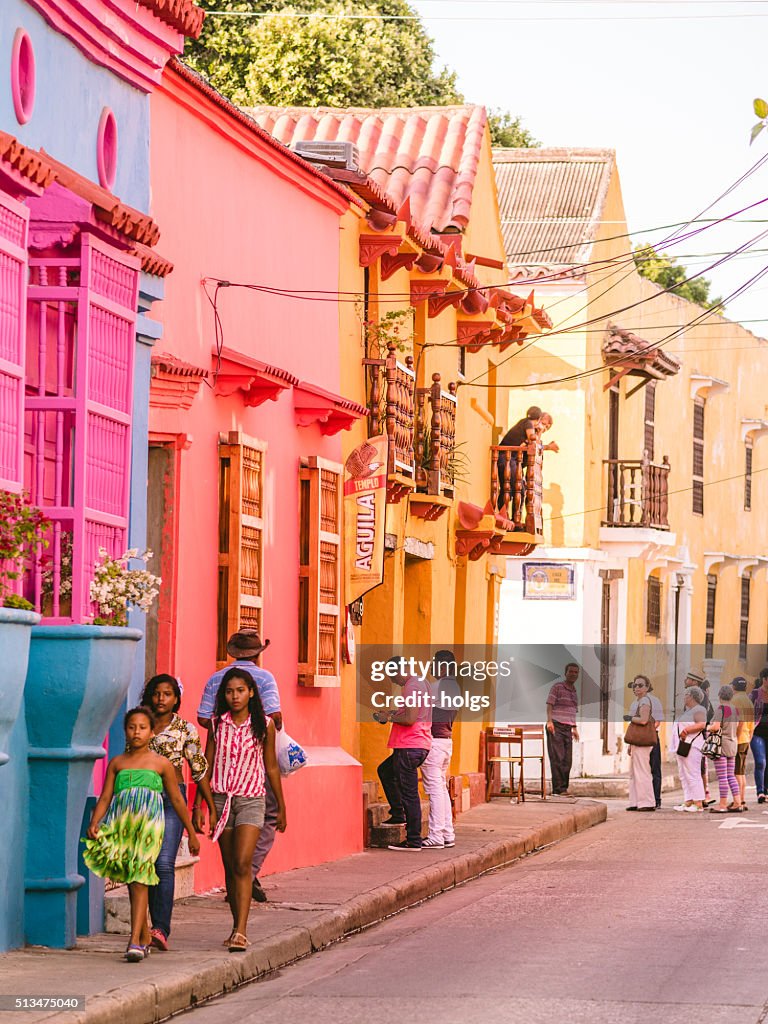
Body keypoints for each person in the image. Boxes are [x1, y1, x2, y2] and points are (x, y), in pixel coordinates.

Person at [83, 707, 200, 962]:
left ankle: (134, 940)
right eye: (132, 727)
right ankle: (144, 935)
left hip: (149, 826)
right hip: (123, 826)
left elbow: (178, 801)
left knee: (140, 877)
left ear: (151, 732)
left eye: (142, 728)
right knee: (133, 880)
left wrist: (191, 832)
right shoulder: (117, 763)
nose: (137, 732)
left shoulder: (162, 764)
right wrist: (95, 821)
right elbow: (105, 797)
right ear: (125, 731)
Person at [204, 667, 286, 952]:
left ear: (251, 692)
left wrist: (282, 807)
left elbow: (272, 767)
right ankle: (235, 925)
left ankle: (241, 930)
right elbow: (206, 764)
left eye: (240, 690)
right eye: (229, 691)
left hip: (252, 799)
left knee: (242, 862)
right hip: (221, 799)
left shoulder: (264, 725)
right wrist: (199, 805)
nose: (234, 696)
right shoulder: (216, 725)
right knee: (229, 866)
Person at [197, 629, 282, 904]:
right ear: (257, 654)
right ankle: (250, 870)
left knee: (233, 849)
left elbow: (202, 717)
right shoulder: (265, 678)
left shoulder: (215, 679)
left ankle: (243, 874)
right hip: (253, 763)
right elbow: (276, 717)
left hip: (223, 769)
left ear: (232, 652)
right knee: (268, 815)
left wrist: (222, 728)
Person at [141, 674, 217, 951]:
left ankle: (160, 928)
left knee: (163, 863)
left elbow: (199, 770)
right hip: (142, 800)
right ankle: (143, 925)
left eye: (168, 694)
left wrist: (205, 807)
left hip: (173, 800)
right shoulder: (140, 725)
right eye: (157, 693)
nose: (161, 699)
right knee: (144, 863)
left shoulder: (185, 729)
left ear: (176, 699)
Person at [374, 659, 432, 850]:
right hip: (419, 744)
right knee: (385, 771)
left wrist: (389, 717)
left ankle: (413, 840)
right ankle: (398, 813)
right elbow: (413, 712)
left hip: (409, 745)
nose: (392, 679)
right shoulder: (422, 683)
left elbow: (409, 719)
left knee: (410, 794)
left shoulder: (411, 686)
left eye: (392, 674)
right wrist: (392, 712)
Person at [421, 651, 460, 849]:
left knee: (434, 789)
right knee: (441, 789)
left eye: (434, 665)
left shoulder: (437, 687)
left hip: (434, 742)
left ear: (443, 666)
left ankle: (436, 835)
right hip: (446, 742)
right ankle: (447, 833)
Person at [626, 677, 664, 810]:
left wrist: (630, 718)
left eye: (640, 685)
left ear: (647, 687)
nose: (637, 688)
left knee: (644, 770)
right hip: (637, 740)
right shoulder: (636, 702)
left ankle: (647, 801)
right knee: (635, 771)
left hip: (646, 739)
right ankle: (636, 801)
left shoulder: (645, 701)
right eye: (634, 685)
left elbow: (643, 720)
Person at [496, 406, 542, 512]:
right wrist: (534, 435)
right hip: (506, 458)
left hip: (505, 458)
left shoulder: (524, 422)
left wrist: (535, 435)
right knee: (518, 490)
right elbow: (532, 440)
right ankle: (512, 520)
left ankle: (504, 517)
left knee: (507, 490)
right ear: (538, 419)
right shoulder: (528, 423)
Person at [706, 684, 743, 813]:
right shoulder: (735, 709)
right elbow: (739, 726)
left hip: (721, 746)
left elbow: (716, 727)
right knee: (730, 776)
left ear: (720, 695)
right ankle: (737, 802)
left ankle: (722, 804)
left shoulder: (721, 709)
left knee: (722, 777)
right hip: (733, 744)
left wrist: (707, 728)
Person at [671, 686, 708, 812]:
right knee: (684, 775)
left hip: (692, 747)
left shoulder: (699, 709)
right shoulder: (689, 711)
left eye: (685, 695)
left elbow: (701, 724)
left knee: (693, 774)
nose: (684, 697)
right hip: (683, 747)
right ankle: (688, 801)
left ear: (691, 696)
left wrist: (686, 731)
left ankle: (698, 803)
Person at [545, 663, 579, 796]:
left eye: (576, 672)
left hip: (568, 728)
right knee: (557, 758)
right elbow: (550, 704)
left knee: (567, 760)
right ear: (565, 673)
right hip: (556, 725)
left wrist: (574, 728)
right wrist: (549, 721)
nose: (573, 674)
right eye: (571, 671)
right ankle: (558, 789)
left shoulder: (574, 691)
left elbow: (572, 711)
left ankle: (563, 788)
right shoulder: (557, 687)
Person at [685, 670, 714, 806]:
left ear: (695, 682)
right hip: (696, 735)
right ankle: (701, 796)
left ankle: (701, 797)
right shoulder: (702, 696)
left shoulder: (700, 698)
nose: (685, 680)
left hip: (696, 736)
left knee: (697, 768)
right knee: (699, 767)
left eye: (688, 679)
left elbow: (704, 718)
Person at [731, 676, 754, 808]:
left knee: (736, 772)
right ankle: (742, 799)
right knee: (741, 771)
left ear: (734, 687)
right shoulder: (749, 701)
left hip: (738, 739)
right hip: (746, 738)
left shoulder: (735, 700)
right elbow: (751, 724)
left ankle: (738, 801)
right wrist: (749, 738)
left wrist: (735, 738)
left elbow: (739, 722)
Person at [749, 667, 768, 803]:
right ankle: (760, 792)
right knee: (761, 762)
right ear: (764, 679)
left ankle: (766, 790)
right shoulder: (755, 694)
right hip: (757, 733)